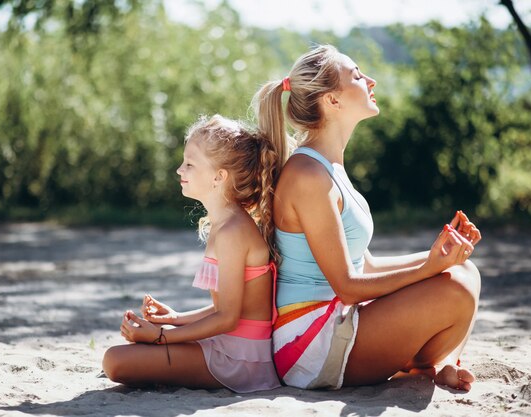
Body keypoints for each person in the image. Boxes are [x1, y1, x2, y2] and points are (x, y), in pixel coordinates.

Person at [252, 44, 482, 392]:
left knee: (465, 271)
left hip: (337, 320)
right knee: (455, 291)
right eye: (357, 75)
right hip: (310, 345)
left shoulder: (328, 167)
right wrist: (428, 269)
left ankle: (439, 362)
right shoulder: (308, 176)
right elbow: (347, 287)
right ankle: (428, 363)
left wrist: (444, 256)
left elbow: (366, 267)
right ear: (332, 101)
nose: (370, 80)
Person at [102, 115, 281, 393]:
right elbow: (227, 308)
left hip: (241, 360)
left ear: (218, 177)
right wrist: (174, 318)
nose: (179, 170)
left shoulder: (233, 231)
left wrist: (162, 336)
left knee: (114, 361)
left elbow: (228, 318)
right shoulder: (226, 224)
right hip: (228, 345)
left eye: (189, 163)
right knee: (127, 352)